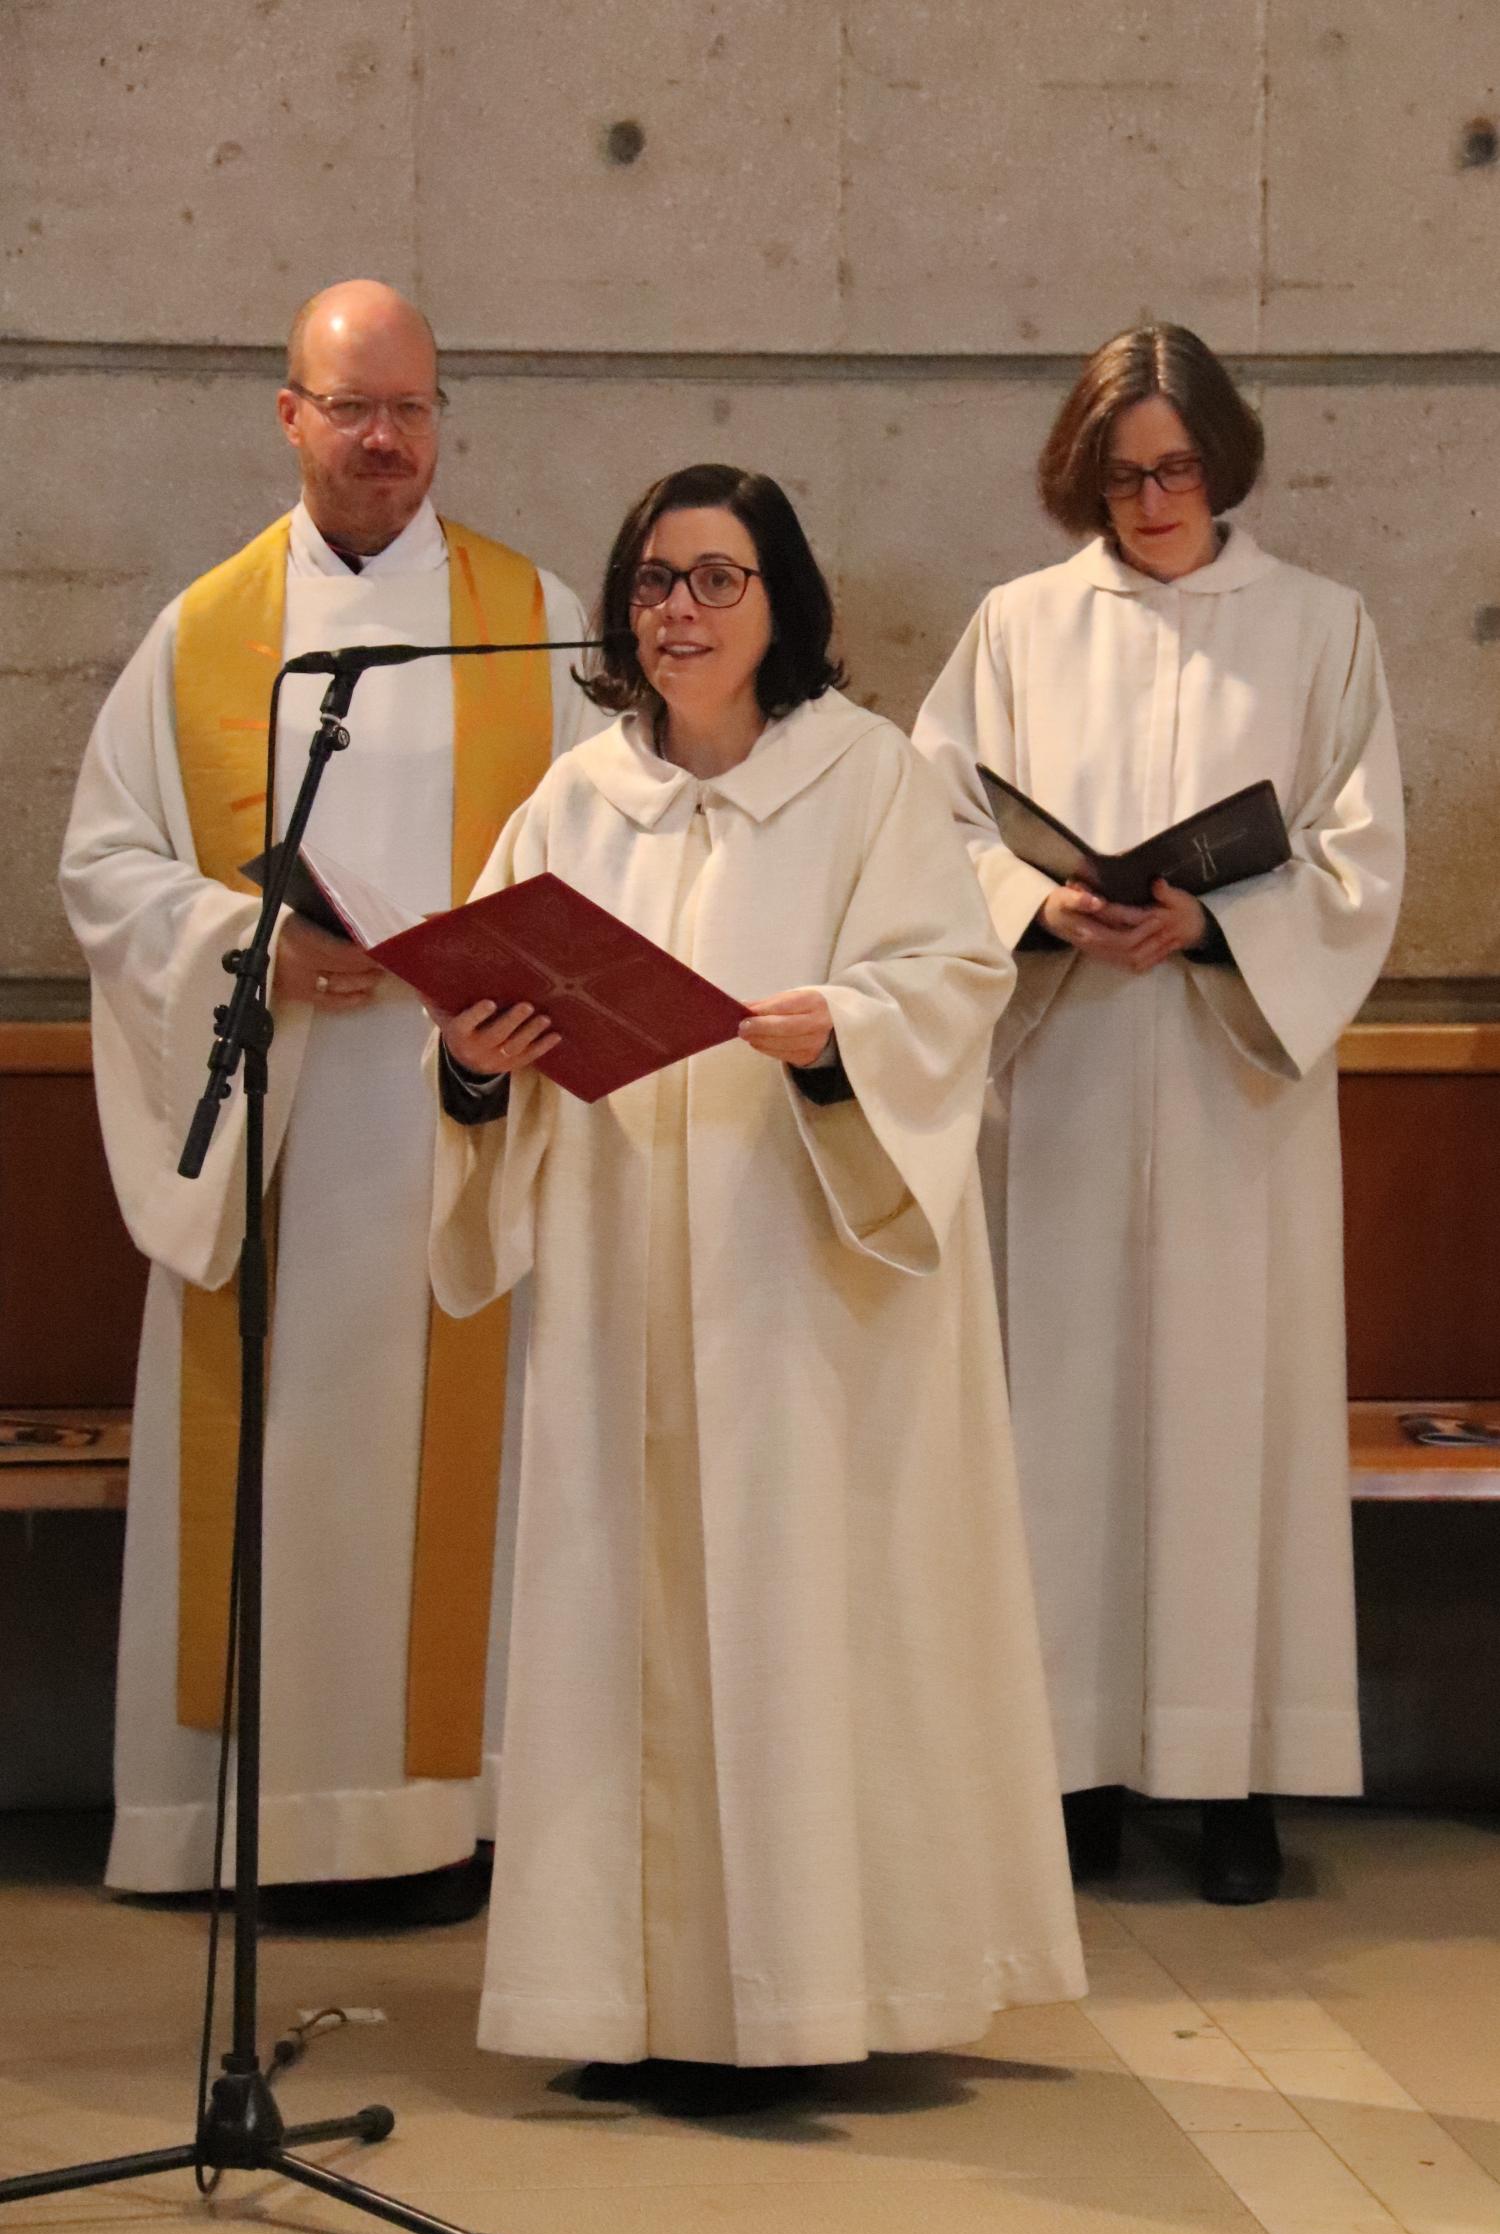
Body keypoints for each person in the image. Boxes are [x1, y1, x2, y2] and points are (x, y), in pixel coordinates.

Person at [428, 463, 1085, 2110]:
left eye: (719, 579)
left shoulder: (867, 781)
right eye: (655, 579)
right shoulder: (575, 803)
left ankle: (797, 1993)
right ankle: (623, 1992)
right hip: (618, 1281)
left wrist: (844, 1036)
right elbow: (498, 1019)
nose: (682, 611)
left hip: (800, 1283)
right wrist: (475, 1070)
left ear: (783, 602)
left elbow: (953, 981)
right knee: (619, 1610)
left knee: (797, 1616)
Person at [60, 279, 597, 1914]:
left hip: (465, 1131)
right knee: (288, 1472)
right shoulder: (207, 632)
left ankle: (447, 1821)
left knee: (461, 1479)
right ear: (288, 414)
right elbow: (103, 864)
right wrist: (251, 945)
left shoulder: (532, 611)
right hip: (282, 1141)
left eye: (415, 408)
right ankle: (273, 1827)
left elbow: (609, 844)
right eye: (354, 407)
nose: (387, 440)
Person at [914, 325, 1404, 1905]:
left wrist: (1216, 926)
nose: (1153, 502)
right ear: (1086, 480)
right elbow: (931, 821)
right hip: (1061, 1078)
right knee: (1057, 1421)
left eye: (1178, 469)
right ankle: (1065, 1772)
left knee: (1229, 1415)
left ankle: (1233, 1771)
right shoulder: (1016, 626)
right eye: (1122, 478)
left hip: (1228, 1082)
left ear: (1225, 458)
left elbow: (1359, 855)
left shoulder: (1320, 628)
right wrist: (1036, 903)